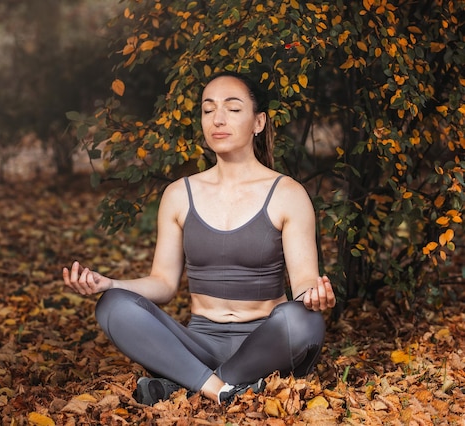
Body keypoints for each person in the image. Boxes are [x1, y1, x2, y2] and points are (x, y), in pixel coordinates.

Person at [63, 71, 336, 406]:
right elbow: (163, 283)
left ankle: (191, 386)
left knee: (303, 320)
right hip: (199, 347)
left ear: (258, 122)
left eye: (233, 109)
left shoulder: (287, 194)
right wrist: (110, 283)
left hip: (265, 346)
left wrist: (316, 296)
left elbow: (305, 281)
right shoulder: (179, 195)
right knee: (113, 305)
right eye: (208, 110)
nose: (218, 119)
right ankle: (225, 389)